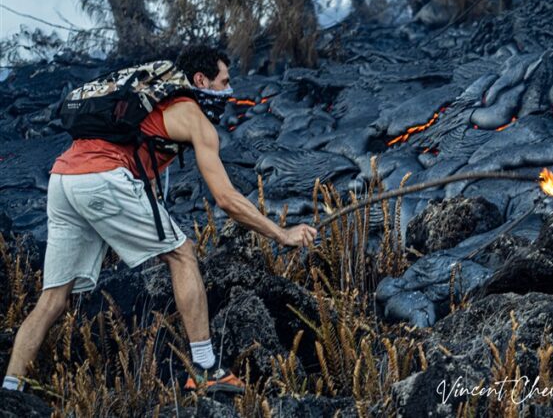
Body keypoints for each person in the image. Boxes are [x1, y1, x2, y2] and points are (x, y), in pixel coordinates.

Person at [2, 46, 318, 394]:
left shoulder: (148, 104)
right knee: (182, 254)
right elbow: (226, 199)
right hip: (103, 176)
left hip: (63, 180)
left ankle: (11, 388)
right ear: (202, 80)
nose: (229, 91)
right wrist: (281, 233)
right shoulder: (193, 117)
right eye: (224, 81)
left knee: (53, 299)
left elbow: (143, 174)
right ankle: (205, 369)